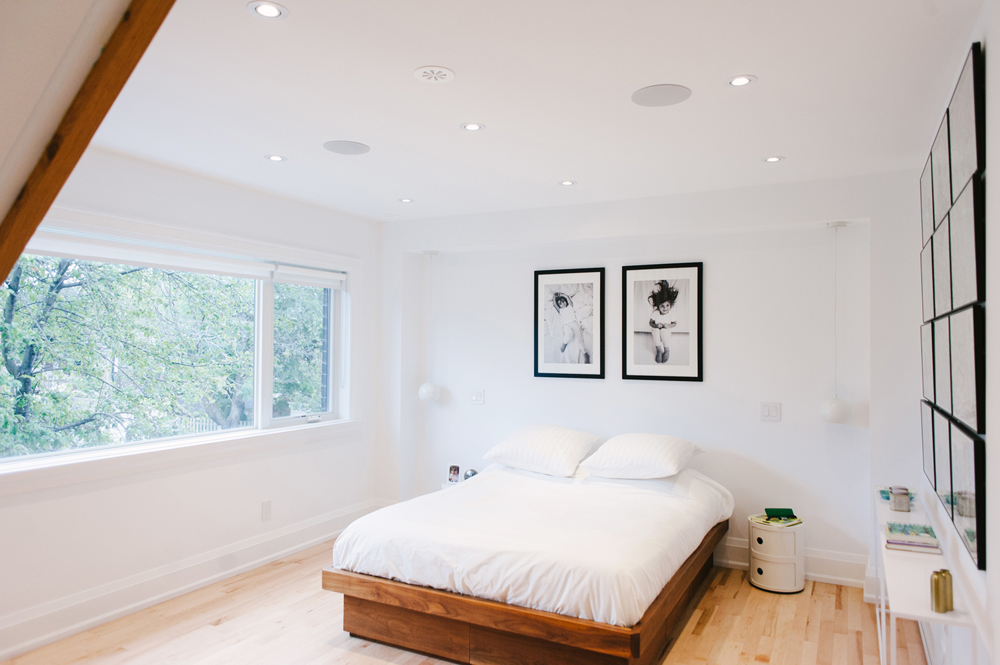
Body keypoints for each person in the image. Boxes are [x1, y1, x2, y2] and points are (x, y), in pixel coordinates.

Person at [549, 287, 593, 364]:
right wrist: (555, 297)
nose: (562, 303)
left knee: (578, 339)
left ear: (565, 302)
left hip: (574, 323)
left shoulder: (570, 306)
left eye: (562, 301)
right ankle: (564, 343)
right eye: (560, 303)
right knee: (568, 334)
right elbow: (555, 304)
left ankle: (585, 354)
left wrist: (562, 294)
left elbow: (568, 298)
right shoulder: (560, 310)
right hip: (567, 325)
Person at [648, 281, 678, 364]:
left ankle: (667, 349)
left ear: (670, 305)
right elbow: (650, 323)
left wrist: (667, 325)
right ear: (658, 307)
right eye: (662, 306)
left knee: (664, 331)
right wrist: (656, 325)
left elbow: (674, 323)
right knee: (656, 331)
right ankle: (658, 349)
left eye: (667, 305)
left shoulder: (671, 314)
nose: (665, 308)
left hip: (666, 331)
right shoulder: (656, 313)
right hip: (657, 330)